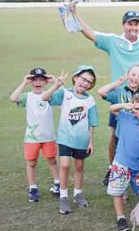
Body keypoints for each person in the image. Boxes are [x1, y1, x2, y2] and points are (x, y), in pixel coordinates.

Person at [42, 66, 99, 215]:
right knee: (65, 165)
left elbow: (92, 123)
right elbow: (45, 98)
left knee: (79, 167)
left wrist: (91, 142)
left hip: (82, 140)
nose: (85, 83)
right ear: (75, 78)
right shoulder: (65, 94)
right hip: (65, 138)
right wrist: (56, 85)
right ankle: (63, 196)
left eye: (89, 82)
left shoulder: (90, 100)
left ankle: (78, 194)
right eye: (83, 79)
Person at [9, 67, 62, 202]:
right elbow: (13, 98)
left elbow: (65, 95)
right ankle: (33, 188)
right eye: (35, 80)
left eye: (41, 80)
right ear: (31, 82)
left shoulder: (49, 94)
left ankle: (58, 184)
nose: (38, 83)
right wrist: (24, 83)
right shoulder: (28, 96)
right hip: (32, 138)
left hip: (48, 136)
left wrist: (54, 82)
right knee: (31, 163)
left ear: (45, 82)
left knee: (52, 160)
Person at [107, 94, 139, 231]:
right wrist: (126, 106)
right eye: (137, 108)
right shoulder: (127, 118)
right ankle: (120, 217)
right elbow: (112, 108)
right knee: (118, 191)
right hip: (121, 163)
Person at [98, 64, 139, 183]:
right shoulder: (119, 92)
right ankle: (113, 171)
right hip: (119, 125)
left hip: (133, 130)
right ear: (128, 74)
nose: (135, 78)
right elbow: (101, 92)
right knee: (116, 145)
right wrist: (117, 84)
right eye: (133, 74)